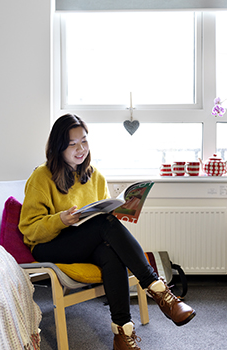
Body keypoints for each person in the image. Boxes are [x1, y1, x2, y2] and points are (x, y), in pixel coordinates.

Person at [19, 114, 196, 350]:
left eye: (84, 141)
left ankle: (123, 334)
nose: (80, 149)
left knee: (111, 253)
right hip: (50, 245)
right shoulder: (41, 176)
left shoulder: (95, 176)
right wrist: (60, 219)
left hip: (85, 245)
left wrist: (118, 212)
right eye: (72, 144)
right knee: (104, 225)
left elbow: (99, 217)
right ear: (58, 147)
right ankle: (159, 290)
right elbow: (29, 229)